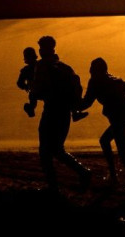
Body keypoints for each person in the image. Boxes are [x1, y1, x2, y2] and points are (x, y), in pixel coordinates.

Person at [26, 35, 92, 193]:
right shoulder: (65, 68)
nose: (41, 51)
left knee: (45, 151)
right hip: (64, 113)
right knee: (57, 149)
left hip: (51, 112)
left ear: (44, 50)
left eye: (42, 48)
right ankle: (82, 172)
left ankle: (54, 187)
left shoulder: (42, 66)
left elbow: (37, 90)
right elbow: (76, 88)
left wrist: (31, 105)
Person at [77, 57, 125, 199]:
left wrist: (73, 105)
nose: (89, 70)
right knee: (105, 141)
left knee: (123, 153)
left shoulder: (95, 82)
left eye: (91, 68)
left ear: (95, 70)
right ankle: (113, 175)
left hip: (119, 119)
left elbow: (87, 103)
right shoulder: (114, 80)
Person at [17, 47, 38, 116]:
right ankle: (31, 107)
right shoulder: (41, 64)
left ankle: (31, 107)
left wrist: (25, 86)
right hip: (39, 89)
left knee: (32, 97)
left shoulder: (26, 70)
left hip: (35, 89)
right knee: (32, 96)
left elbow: (19, 83)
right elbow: (19, 83)